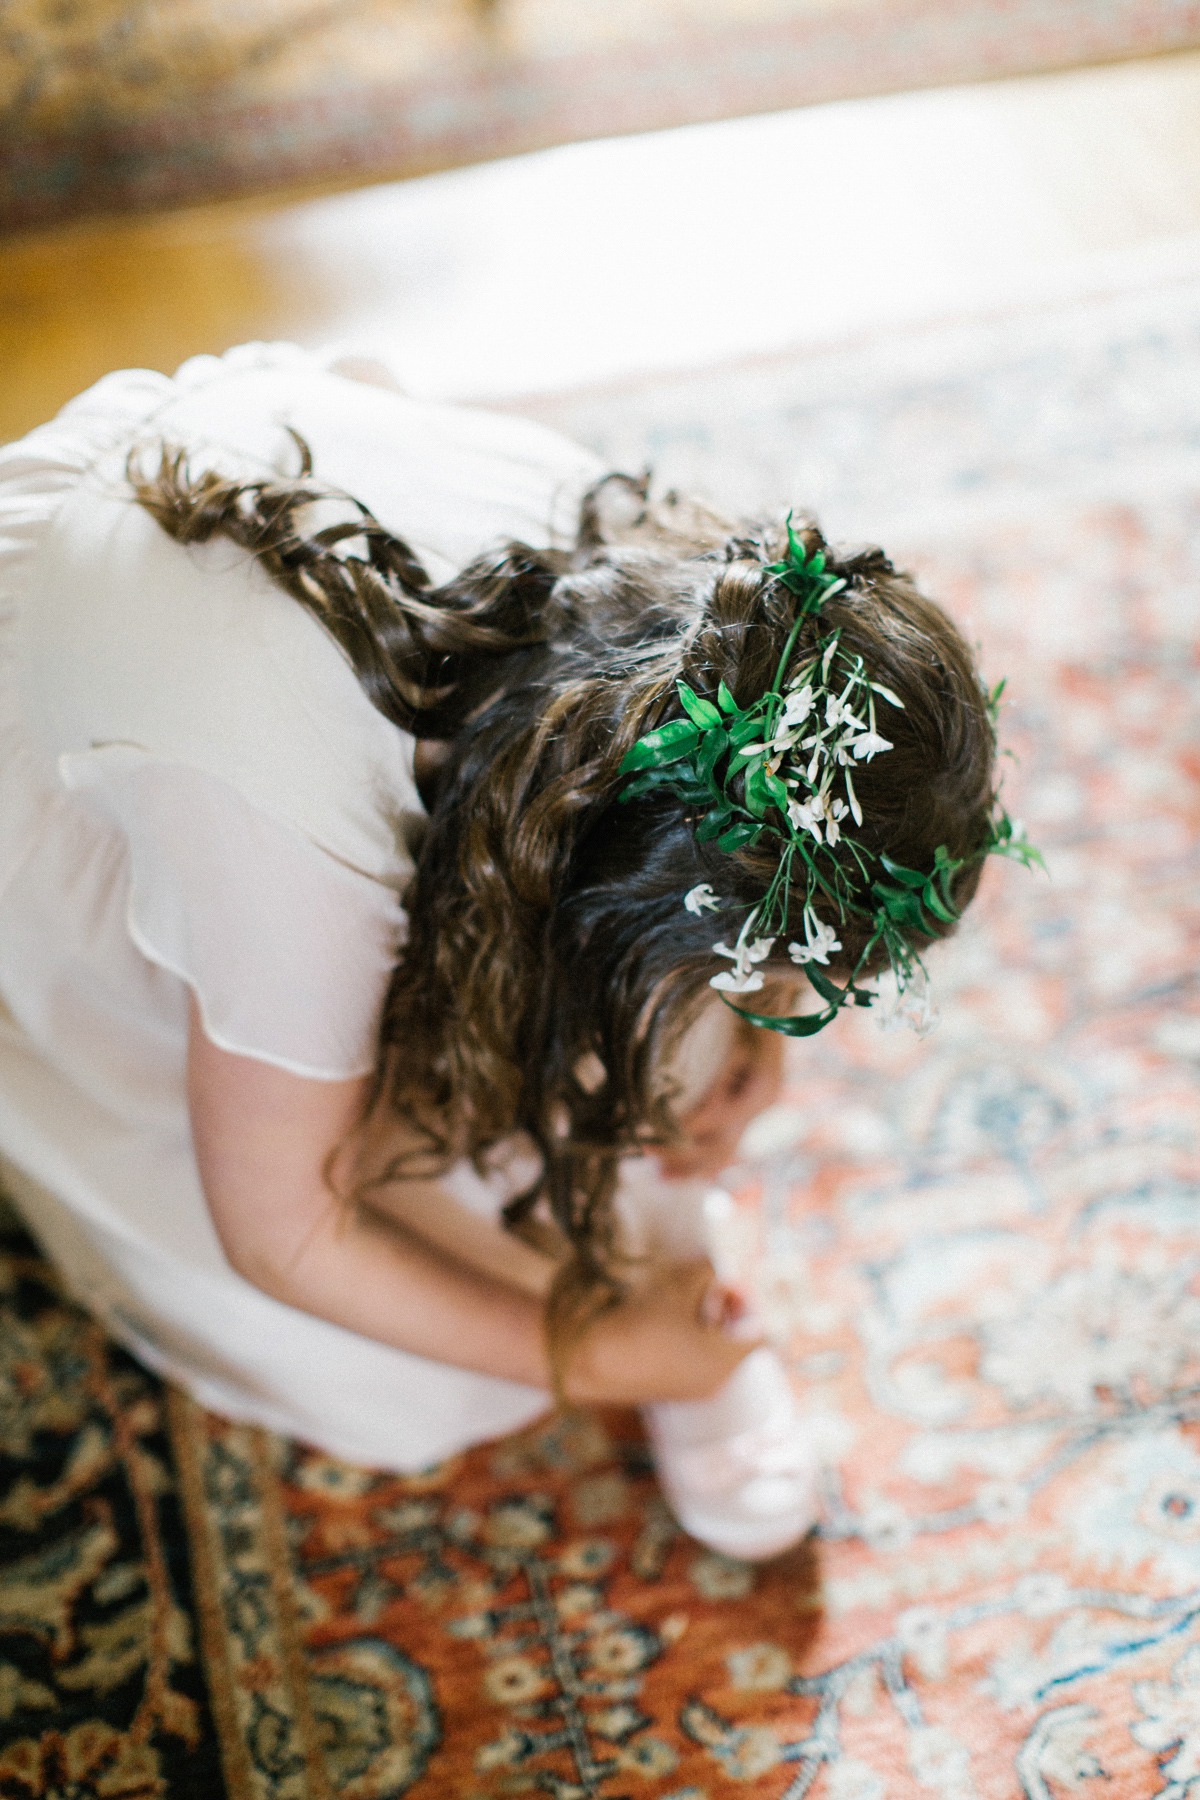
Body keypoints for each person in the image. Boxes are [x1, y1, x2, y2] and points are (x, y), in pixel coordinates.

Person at [0, 342, 1016, 1560]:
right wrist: (605, 1352)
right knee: (425, 1380)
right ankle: (663, 1323)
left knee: (652, 1053)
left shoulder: (671, 613)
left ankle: (660, 1257)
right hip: (104, 786)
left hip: (267, 685)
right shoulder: (286, 837)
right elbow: (282, 1232)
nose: (777, 1007)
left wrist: (745, 1034)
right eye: (784, 982)